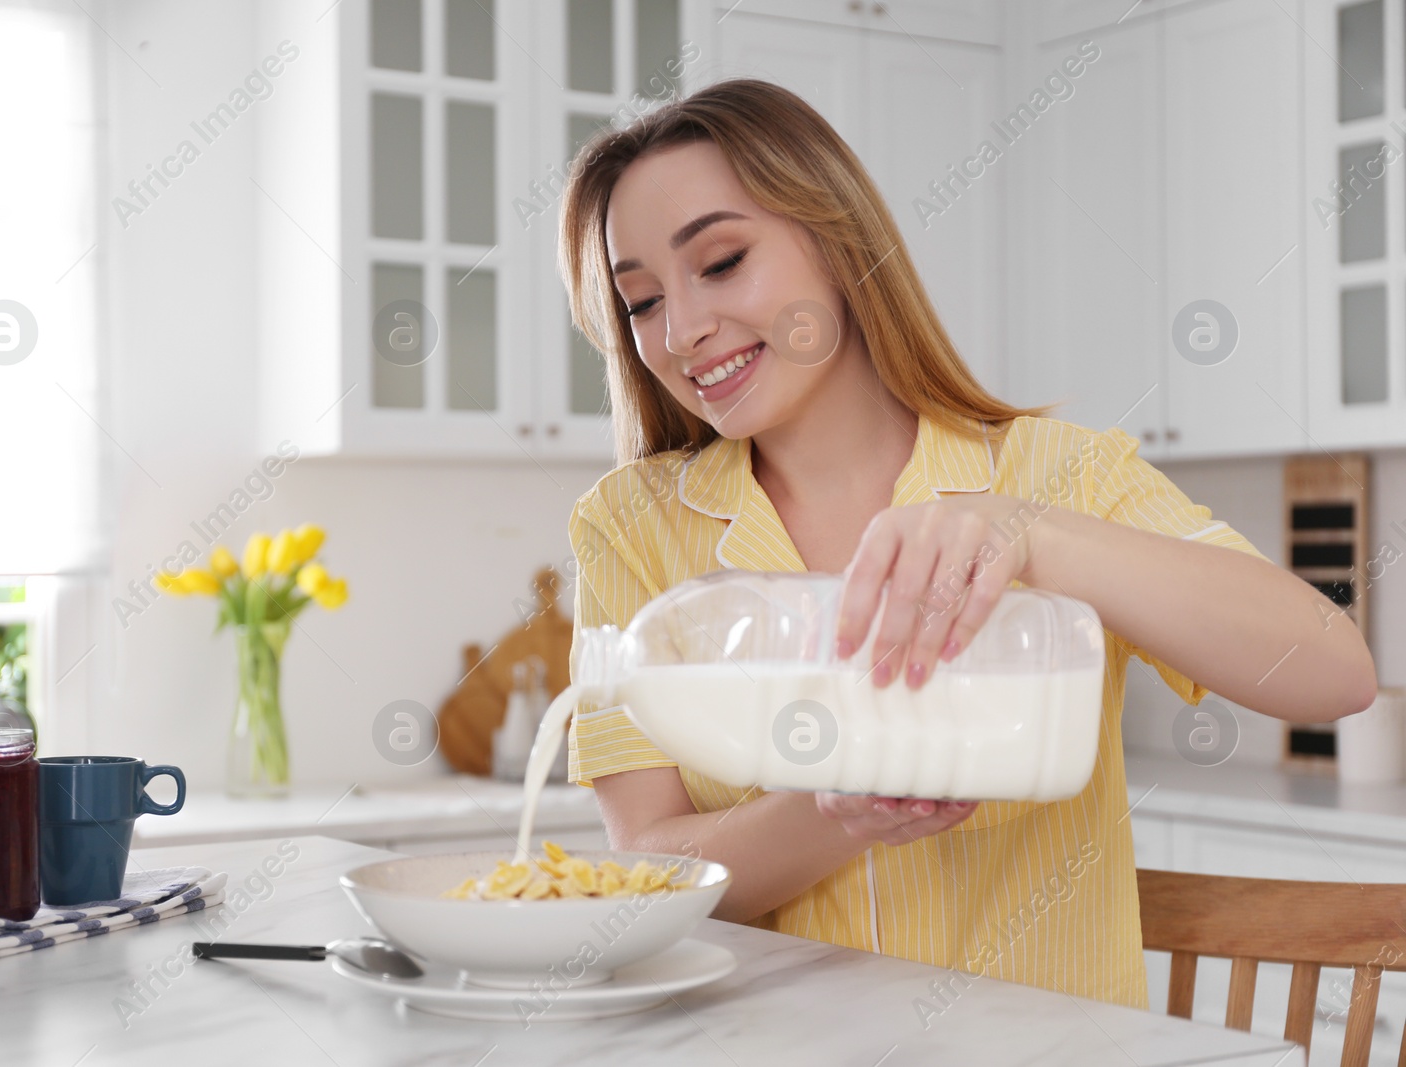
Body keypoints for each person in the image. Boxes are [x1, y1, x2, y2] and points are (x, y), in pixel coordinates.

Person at [555, 78, 1377, 1009]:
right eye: (641, 303)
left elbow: (1332, 669)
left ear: (838, 242)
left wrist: (1030, 536)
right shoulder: (629, 525)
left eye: (722, 260)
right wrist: (835, 811)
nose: (683, 331)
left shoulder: (1057, 473)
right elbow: (649, 863)